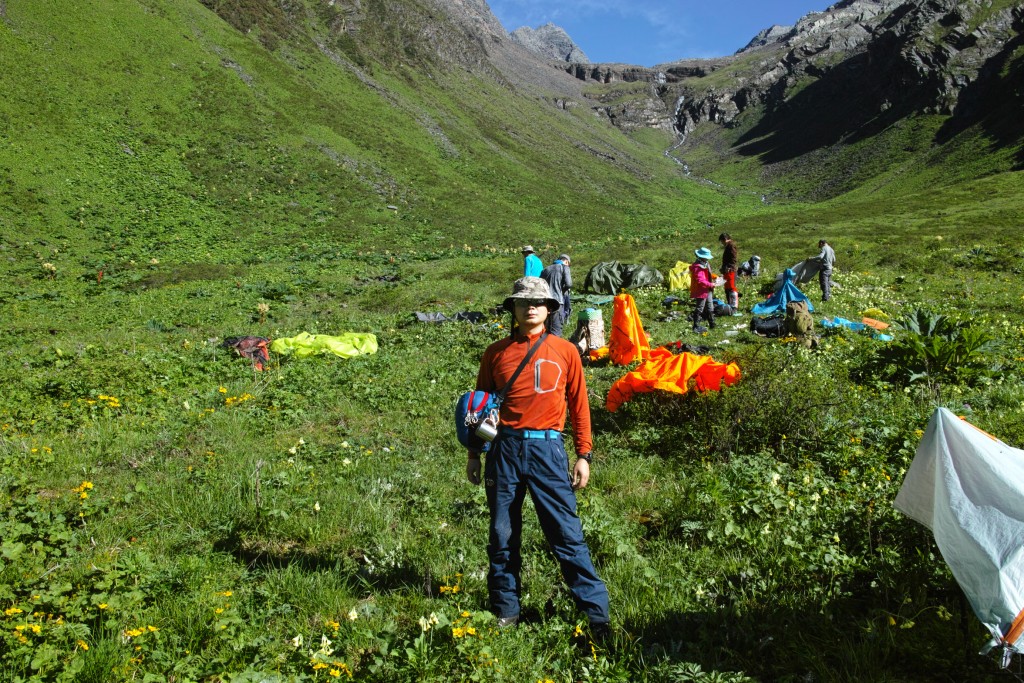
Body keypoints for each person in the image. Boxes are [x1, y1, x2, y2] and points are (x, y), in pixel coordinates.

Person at [466, 276, 610, 638]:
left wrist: (584, 454)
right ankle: (506, 611)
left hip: (548, 449)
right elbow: (480, 409)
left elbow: (579, 406)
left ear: (549, 309)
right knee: (502, 535)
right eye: (522, 302)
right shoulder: (494, 353)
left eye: (538, 303)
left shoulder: (566, 351)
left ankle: (597, 617)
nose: (530, 307)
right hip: (504, 450)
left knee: (566, 534)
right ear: (512, 309)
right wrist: (474, 453)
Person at [540, 254, 572, 337]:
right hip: (558, 301)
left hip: (545, 302)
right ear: (566, 261)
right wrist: (562, 291)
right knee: (556, 329)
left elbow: (540, 285)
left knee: (545, 329)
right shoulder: (564, 267)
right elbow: (569, 284)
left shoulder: (545, 269)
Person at [689, 248, 718, 333]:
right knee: (700, 308)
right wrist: (711, 284)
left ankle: (712, 323)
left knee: (710, 306)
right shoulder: (697, 267)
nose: (707, 258)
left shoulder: (705, 263)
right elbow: (700, 280)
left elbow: (707, 274)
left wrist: (715, 277)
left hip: (707, 289)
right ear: (701, 257)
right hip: (701, 290)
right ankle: (696, 326)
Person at [718, 233, 740, 314]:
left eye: (722, 241)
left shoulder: (731, 246)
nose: (722, 243)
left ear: (725, 239)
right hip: (726, 270)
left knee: (731, 288)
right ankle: (730, 305)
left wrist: (729, 267)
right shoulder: (728, 246)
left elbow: (733, 258)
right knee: (727, 287)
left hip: (730, 270)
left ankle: (734, 307)